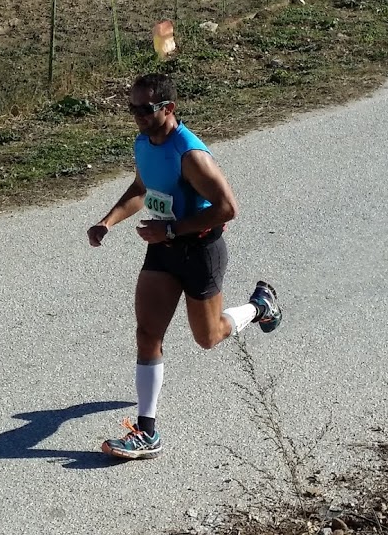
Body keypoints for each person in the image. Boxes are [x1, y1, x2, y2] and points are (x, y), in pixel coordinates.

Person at [86, 73, 283, 460]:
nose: (137, 116)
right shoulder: (143, 143)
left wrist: (171, 229)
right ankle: (147, 433)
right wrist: (107, 222)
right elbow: (141, 188)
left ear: (169, 108)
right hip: (163, 250)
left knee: (208, 337)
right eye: (132, 108)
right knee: (147, 333)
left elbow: (228, 208)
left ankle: (260, 306)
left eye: (145, 109)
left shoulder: (190, 154)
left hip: (200, 251)